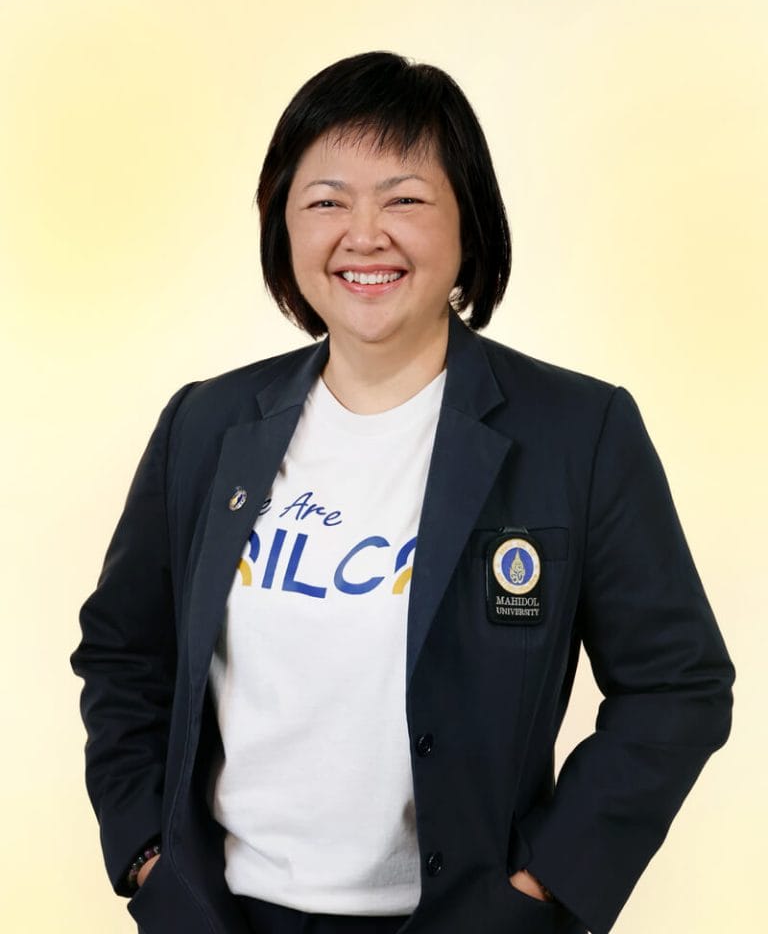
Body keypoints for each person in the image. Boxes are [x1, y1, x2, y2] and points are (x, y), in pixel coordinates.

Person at [71, 51, 735, 934]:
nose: (364, 235)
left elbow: (678, 685)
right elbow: (124, 655)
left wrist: (540, 892)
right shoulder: (207, 424)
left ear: (469, 223)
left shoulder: (578, 433)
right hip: (222, 916)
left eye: (405, 199)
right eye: (326, 201)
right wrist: (148, 860)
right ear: (283, 225)